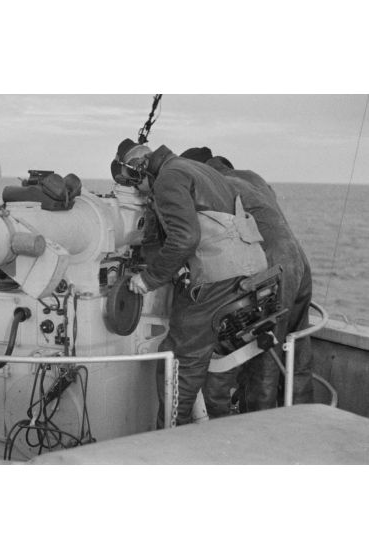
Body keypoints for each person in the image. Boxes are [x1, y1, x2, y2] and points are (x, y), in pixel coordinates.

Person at [111, 139, 268, 425]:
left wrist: (148, 279)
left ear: (139, 169)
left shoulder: (167, 179)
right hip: (251, 271)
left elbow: (185, 238)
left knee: (178, 360)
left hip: (220, 277)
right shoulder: (195, 168)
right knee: (207, 355)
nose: (137, 190)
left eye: (133, 182)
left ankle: (173, 433)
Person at [180, 147, 315, 411]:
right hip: (298, 260)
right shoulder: (252, 177)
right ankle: (302, 418)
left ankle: (256, 427)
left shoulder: (212, 186)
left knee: (263, 357)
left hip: (270, 266)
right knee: (297, 349)